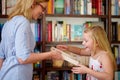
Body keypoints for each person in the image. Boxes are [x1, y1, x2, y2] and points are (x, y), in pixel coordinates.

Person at [0, 0, 63, 80]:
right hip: (18, 75)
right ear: (33, 4)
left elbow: (1, 56)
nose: (43, 12)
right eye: (43, 8)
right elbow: (23, 58)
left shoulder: (8, 22)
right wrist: (50, 54)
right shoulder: (23, 22)